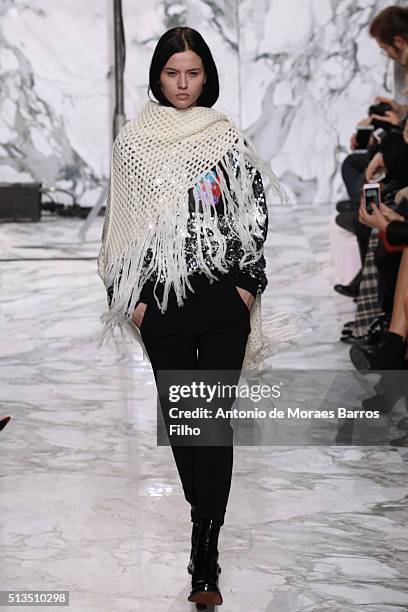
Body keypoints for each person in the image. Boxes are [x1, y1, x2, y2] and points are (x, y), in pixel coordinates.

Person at [96, 27, 286, 607]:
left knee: (214, 424)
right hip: (161, 303)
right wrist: (127, 297)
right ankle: (203, 519)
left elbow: (253, 211)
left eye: (193, 73)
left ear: (208, 77)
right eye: (173, 73)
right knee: (185, 426)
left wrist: (248, 288)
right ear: (157, 76)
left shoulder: (224, 138)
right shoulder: (134, 143)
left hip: (222, 299)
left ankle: (206, 554)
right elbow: (119, 222)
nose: (182, 85)